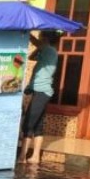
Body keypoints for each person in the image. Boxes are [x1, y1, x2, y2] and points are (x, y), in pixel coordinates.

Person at [18, 31, 60, 164]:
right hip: (40, 92)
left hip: (42, 92)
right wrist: (39, 47)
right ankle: (35, 157)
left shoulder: (50, 50)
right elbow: (31, 57)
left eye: (41, 37)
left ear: (46, 39)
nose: (39, 40)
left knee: (28, 124)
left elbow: (36, 43)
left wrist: (27, 32)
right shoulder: (46, 51)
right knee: (37, 126)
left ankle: (22, 157)